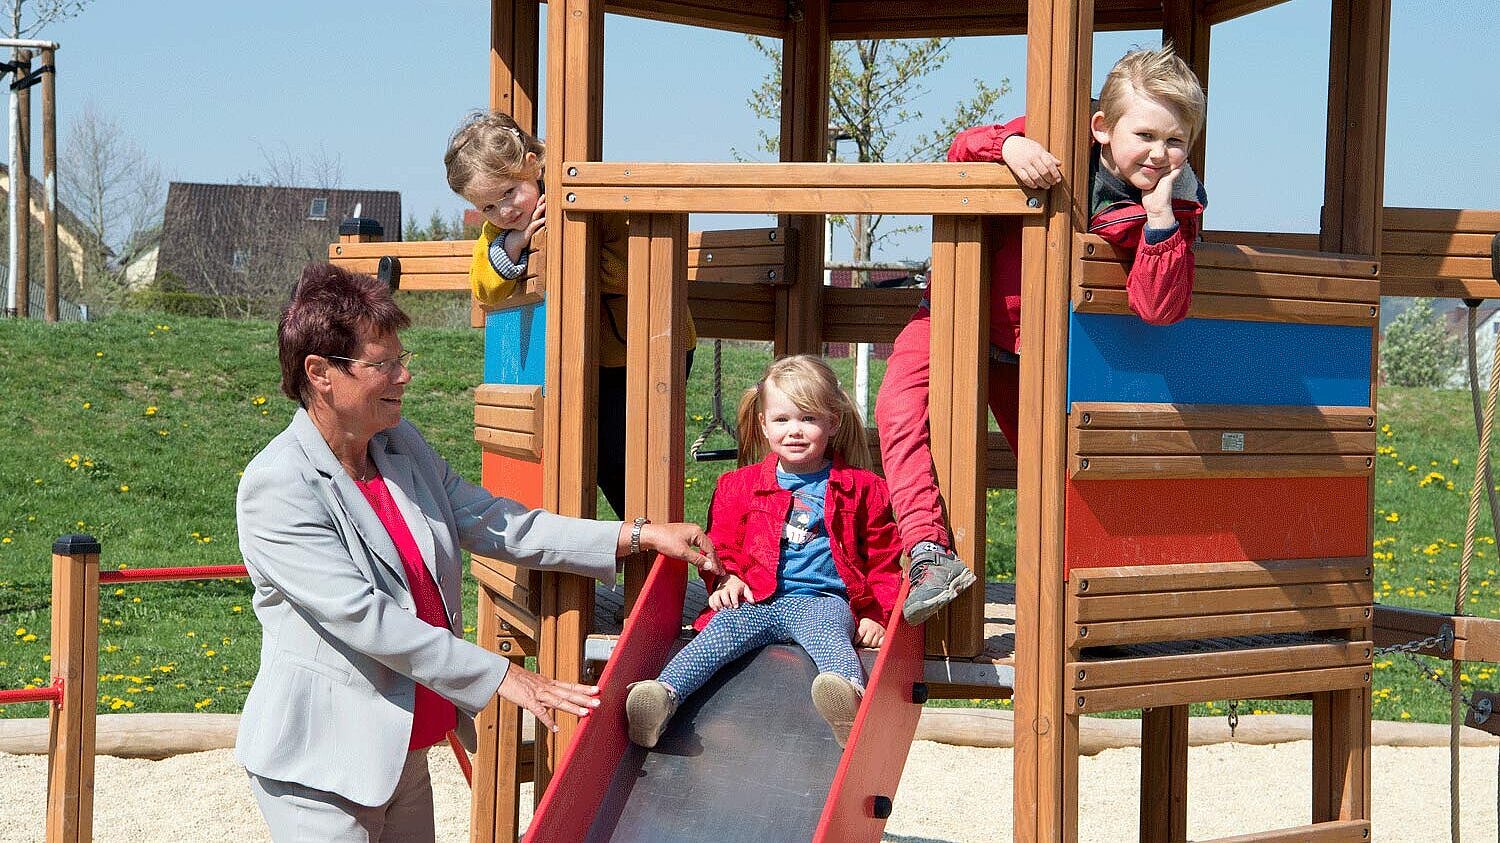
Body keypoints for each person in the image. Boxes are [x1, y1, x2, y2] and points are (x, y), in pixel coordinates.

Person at [235, 263, 721, 842]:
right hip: (321, 764)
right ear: (319, 373)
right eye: (382, 364)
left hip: (399, 750)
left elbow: (494, 521)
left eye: (401, 357)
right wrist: (500, 677)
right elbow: (367, 620)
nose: (404, 375)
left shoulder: (397, 445)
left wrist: (634, 536)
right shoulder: (279, 484)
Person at [876, 45, 1208, 625]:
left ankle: (1089, 591)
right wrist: (1009, 146)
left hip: (1037, 348)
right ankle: (927, 551)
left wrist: (1159, 221)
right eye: (1146, 135)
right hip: (958, 312)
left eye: (1175, 141)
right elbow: (962, 147)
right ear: (1102, 127)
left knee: (1054, 462)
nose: (1159, 153)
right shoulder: (1054, 132)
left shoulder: (1175, 203)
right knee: (898, 410)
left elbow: (1158, 306)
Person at [625, 355, 903, 750]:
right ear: (763, 424)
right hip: (756, 597)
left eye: (808, 419)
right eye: (782, 420)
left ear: (833, 423)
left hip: (822, 601)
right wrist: (725, 578)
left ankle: (847, 702)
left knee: (832, 640)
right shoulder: (738, 486)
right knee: (719, 634)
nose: (795, 431)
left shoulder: (863, 487)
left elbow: (883, 557)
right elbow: (721, 542)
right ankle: (660, 698)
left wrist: (876, 613)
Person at [443, 110, 697, 519]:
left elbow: (629, 269)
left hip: (650, 340)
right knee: (595, 454)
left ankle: (653, 534)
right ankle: (642, 533)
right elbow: (484, 285)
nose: (504, 211)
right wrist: (516, 246)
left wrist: (562, 250)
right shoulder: (505, 229)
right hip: (595, 357)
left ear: (531, 163)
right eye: (488, 206)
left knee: (634, 452)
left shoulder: (587, 199)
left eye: (508, 193)